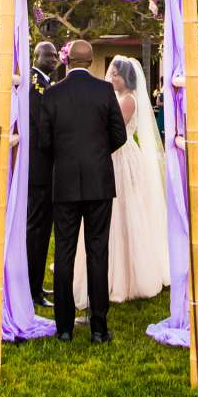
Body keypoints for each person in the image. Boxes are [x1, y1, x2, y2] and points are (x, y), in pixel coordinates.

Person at [40, 38, 126, 344]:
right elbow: (120, 134)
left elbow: (44, 141)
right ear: (90, 62)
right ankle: (99, 329)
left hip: (63, 181)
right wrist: (99, 154)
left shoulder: (52, 93)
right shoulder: (104, 91)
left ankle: (63, 327)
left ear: (67, 61)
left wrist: (65, 158)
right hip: (99, 181)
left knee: (63, 252)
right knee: (97, 251)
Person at [74, 55, 168, 310]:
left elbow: (115, 130)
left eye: (115, 74)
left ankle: (126, 275)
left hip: (121, 158)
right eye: (111, 73)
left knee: (124, 211)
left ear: (126, 78)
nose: (111, 77)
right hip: (109, 155)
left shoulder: (128, 100)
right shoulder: (113, 97)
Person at [26, 40, 59, 308]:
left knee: (41, 227)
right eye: (48, 55)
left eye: (56, 55)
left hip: (44, 167)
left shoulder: (45, 82)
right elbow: (41, 123)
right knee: (37, 228)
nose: (54, 58)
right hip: (40, 167)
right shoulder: (35, 83)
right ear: (36, 56)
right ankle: (31, 288)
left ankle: (36, 284)